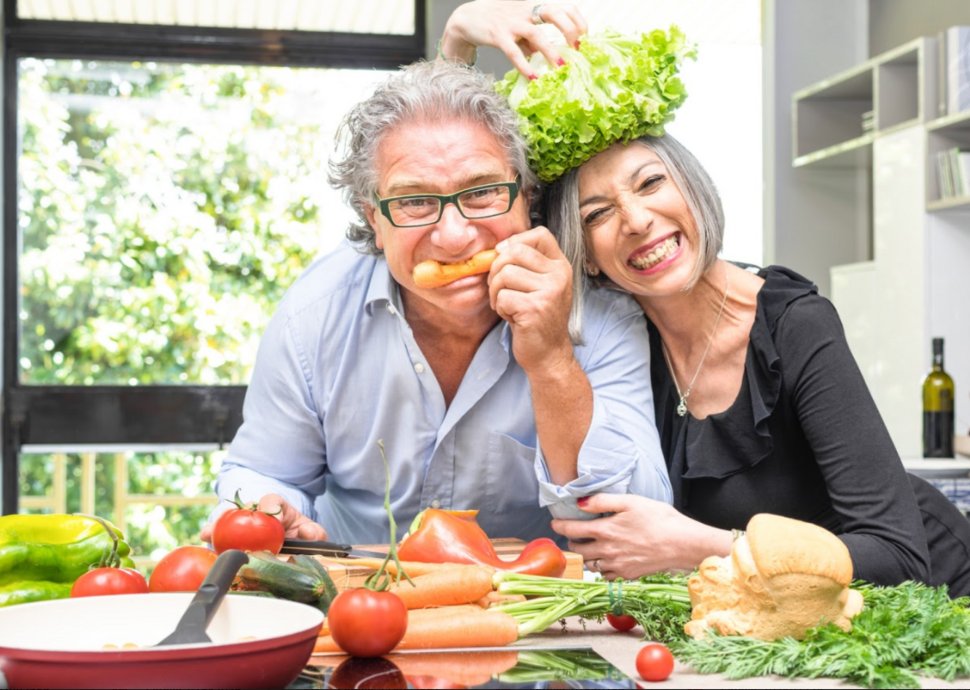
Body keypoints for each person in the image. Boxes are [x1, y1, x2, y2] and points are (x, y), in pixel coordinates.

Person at [441, 2, 970, 597]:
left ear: (690, 186)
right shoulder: (619, 338)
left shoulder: (794, 324)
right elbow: (465, 205)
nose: (638, 220)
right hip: (779, 628)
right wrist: (459, 37)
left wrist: (697, 545)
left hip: (927, 611)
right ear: (583, 255)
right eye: (598, 215)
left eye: (651, 182)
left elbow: (897, 555)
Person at [200, 58, 671, 547]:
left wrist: (552, 359)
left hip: (529, 608)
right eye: (414, 202)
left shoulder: (601, 314)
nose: (453, 236)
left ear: (525, 198)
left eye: (483, 192)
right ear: (374, 220)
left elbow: (636, 523)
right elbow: (266, 473)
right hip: (357, 600)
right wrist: (269, 509)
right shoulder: (313, 315)